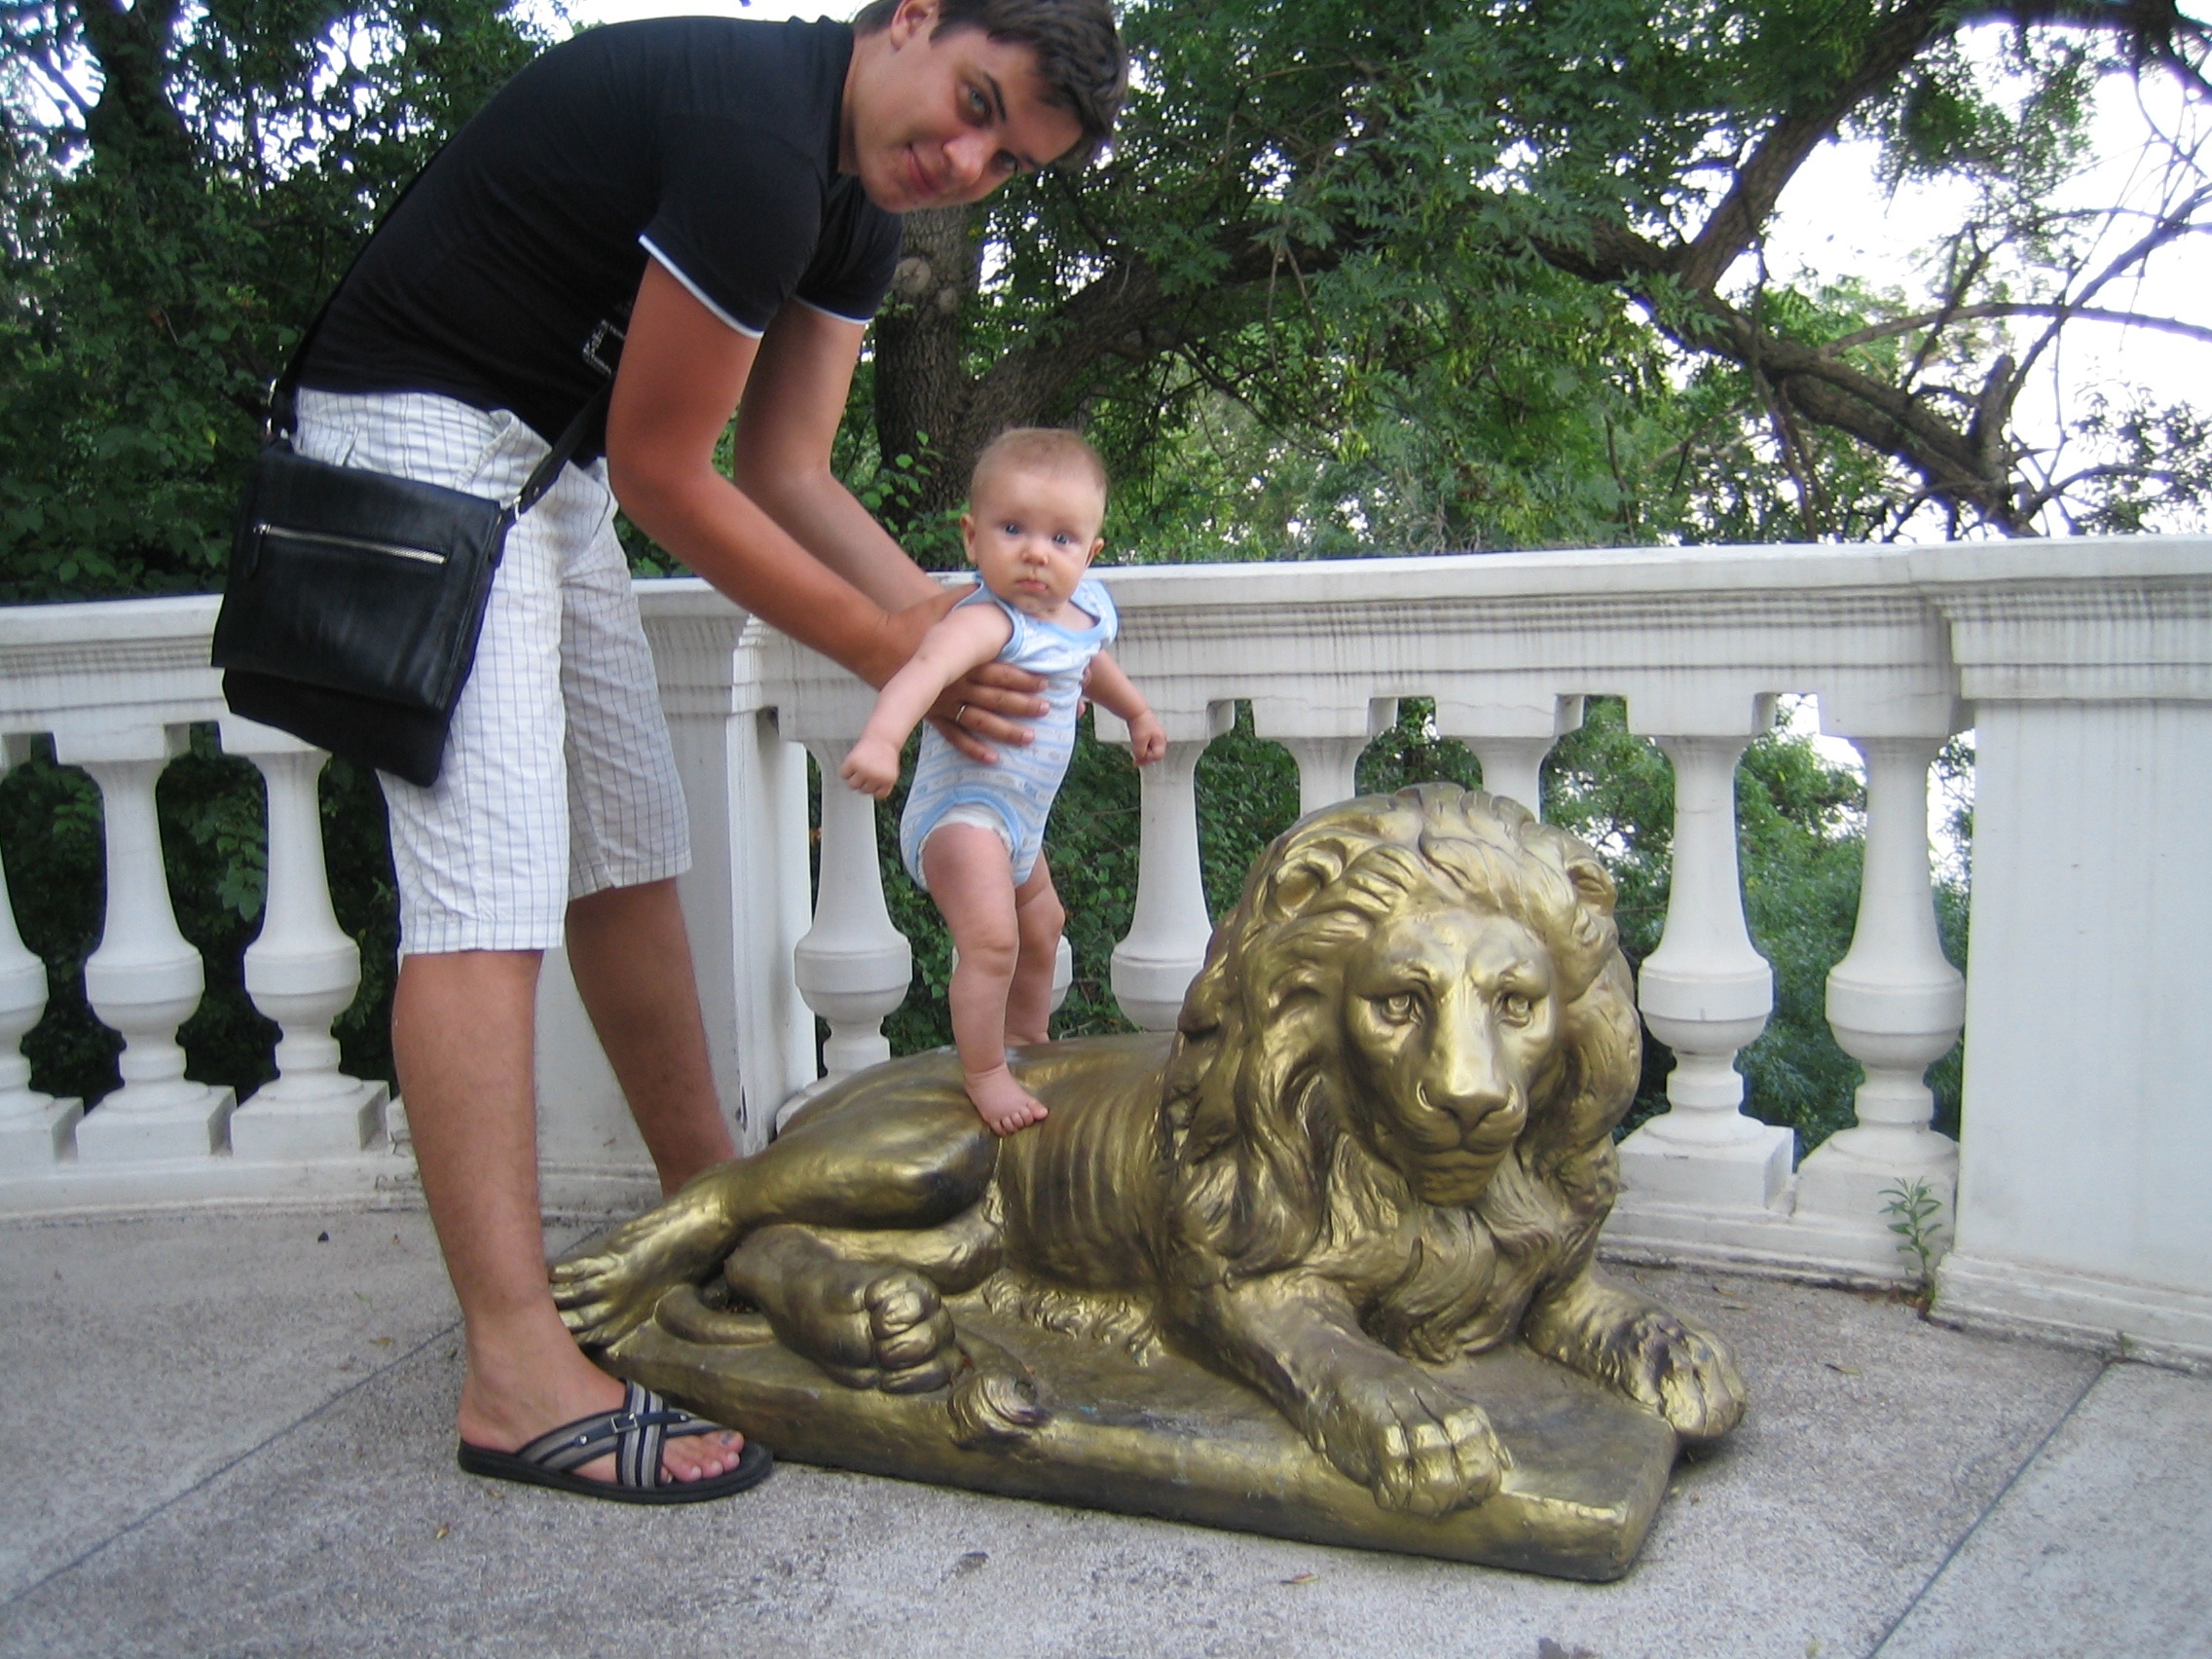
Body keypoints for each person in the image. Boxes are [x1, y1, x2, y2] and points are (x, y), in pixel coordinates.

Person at [284, 0, 1127, 1501]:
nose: (967, 161)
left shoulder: (854, 205)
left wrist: (949, 629)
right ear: (911, 19)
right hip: (416, 436)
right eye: (976, 102)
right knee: (485, 890)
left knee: (628, 848)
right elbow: (672, 473)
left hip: (544, 466)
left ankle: (711, 1218)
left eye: (1007, 162)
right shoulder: (756, 137)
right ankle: (513, 1372)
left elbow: (785, 470)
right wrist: (892, 656)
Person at [840, 429, 1164, 1132]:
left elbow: (1090, 666)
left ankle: (1026, 1039)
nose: (1036, 552)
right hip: (964, 814)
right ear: (972, 535)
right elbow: (921, 672)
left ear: (1090, 554)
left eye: (1061, 538)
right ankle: (985, 1071)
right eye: (1012, 529)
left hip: (1020, 825)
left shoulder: (1086, 612)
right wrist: (882, 742)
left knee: (1043, 927)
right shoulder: (986, 621)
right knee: (992, 943)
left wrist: (1136, 711)